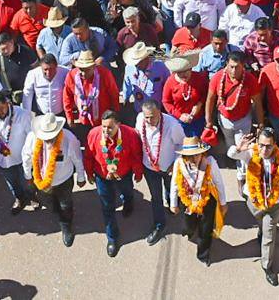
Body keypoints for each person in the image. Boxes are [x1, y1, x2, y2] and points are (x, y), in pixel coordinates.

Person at [84, 111, 144, 257]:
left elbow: (136, 155)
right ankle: (112, 238)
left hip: (124, 174)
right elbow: (88, 156)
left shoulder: (130, 134)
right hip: (102, 176)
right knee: (107, 207)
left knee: (128, 192)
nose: (106, 131)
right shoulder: (94, 134)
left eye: (110, 127)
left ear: (118, 124)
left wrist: (138, 172)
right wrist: (89, 173)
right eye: (103, 127)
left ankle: (129, 203)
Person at [22, 113, 86, 247]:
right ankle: (58, 211)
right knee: (50, 203)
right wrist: (28, 176)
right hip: (42, 181)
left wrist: (81, 176)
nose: (48, 140)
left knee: (65, 205)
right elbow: (26, 158)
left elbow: (77, 159)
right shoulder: (32, 138)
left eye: (51, 136)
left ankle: (66, 226)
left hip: (64, 181)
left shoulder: (69, 138)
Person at [238, 126, 279, 286]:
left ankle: (267, 266)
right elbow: (232, 154)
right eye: (261, 144)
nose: (264, 149)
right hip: (254, 201)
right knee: (262, 224)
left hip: (275, 203)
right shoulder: (250, 153)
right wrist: (240, 148)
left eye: (268, 145)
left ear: (275, 144)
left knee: (269, 235)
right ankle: (261, 229)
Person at [169, 136, 227, 266]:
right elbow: (174, 184)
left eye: (196, 155)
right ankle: (190, 231)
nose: (193, 159)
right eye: (189, 156)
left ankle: (203, 254)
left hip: (207, 202)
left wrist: (223, 203)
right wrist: (173, 204)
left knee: (205, 230)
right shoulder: (179, 163)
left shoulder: (210, 162)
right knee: (188, 225)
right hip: (187, 201)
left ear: (202, 153)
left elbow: (219, 183)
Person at [136, 98, 185, 245]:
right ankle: (159, 225)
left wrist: (175, 164)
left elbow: (182, 144)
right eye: (147, 117)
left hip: (169, 167)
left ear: (160, 113)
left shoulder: (172, 125)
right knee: (156, 197)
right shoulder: (140, 120)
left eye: (153, 116)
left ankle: (173, 205)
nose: (149, 120)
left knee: (172, 190)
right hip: (149, 168)